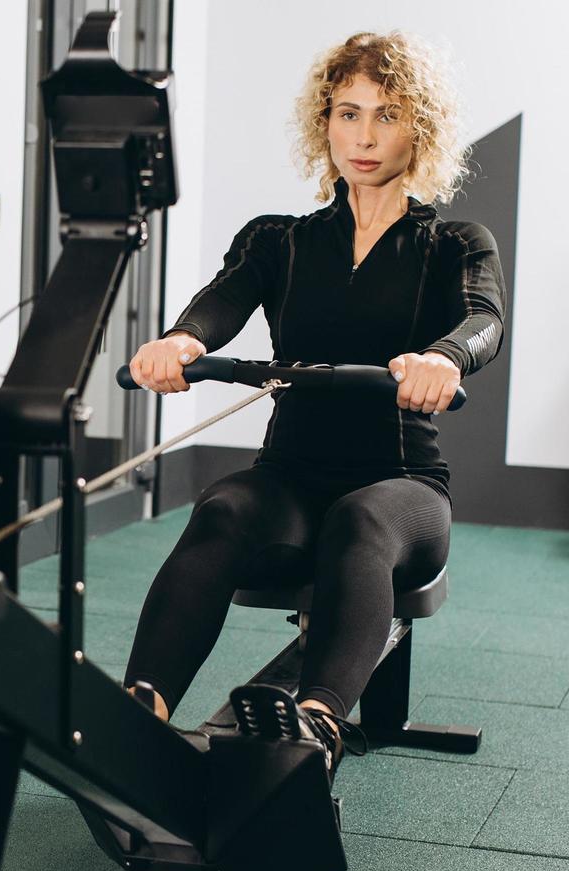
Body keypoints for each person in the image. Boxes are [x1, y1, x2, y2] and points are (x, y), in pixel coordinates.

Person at [122, 31, 506, 781]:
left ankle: (318, 729)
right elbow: (219, 303)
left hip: (403, 487)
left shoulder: (455, 242)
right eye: (347, 113)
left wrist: (443, 357)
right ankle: (137, 718)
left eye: (388, 116)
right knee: (225, 509)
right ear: (322, 122)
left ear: (418, 128)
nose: (364, 136)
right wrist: (179, 342)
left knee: (358, 522)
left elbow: (483, 318)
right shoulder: (281, 241)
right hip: (290, 476)